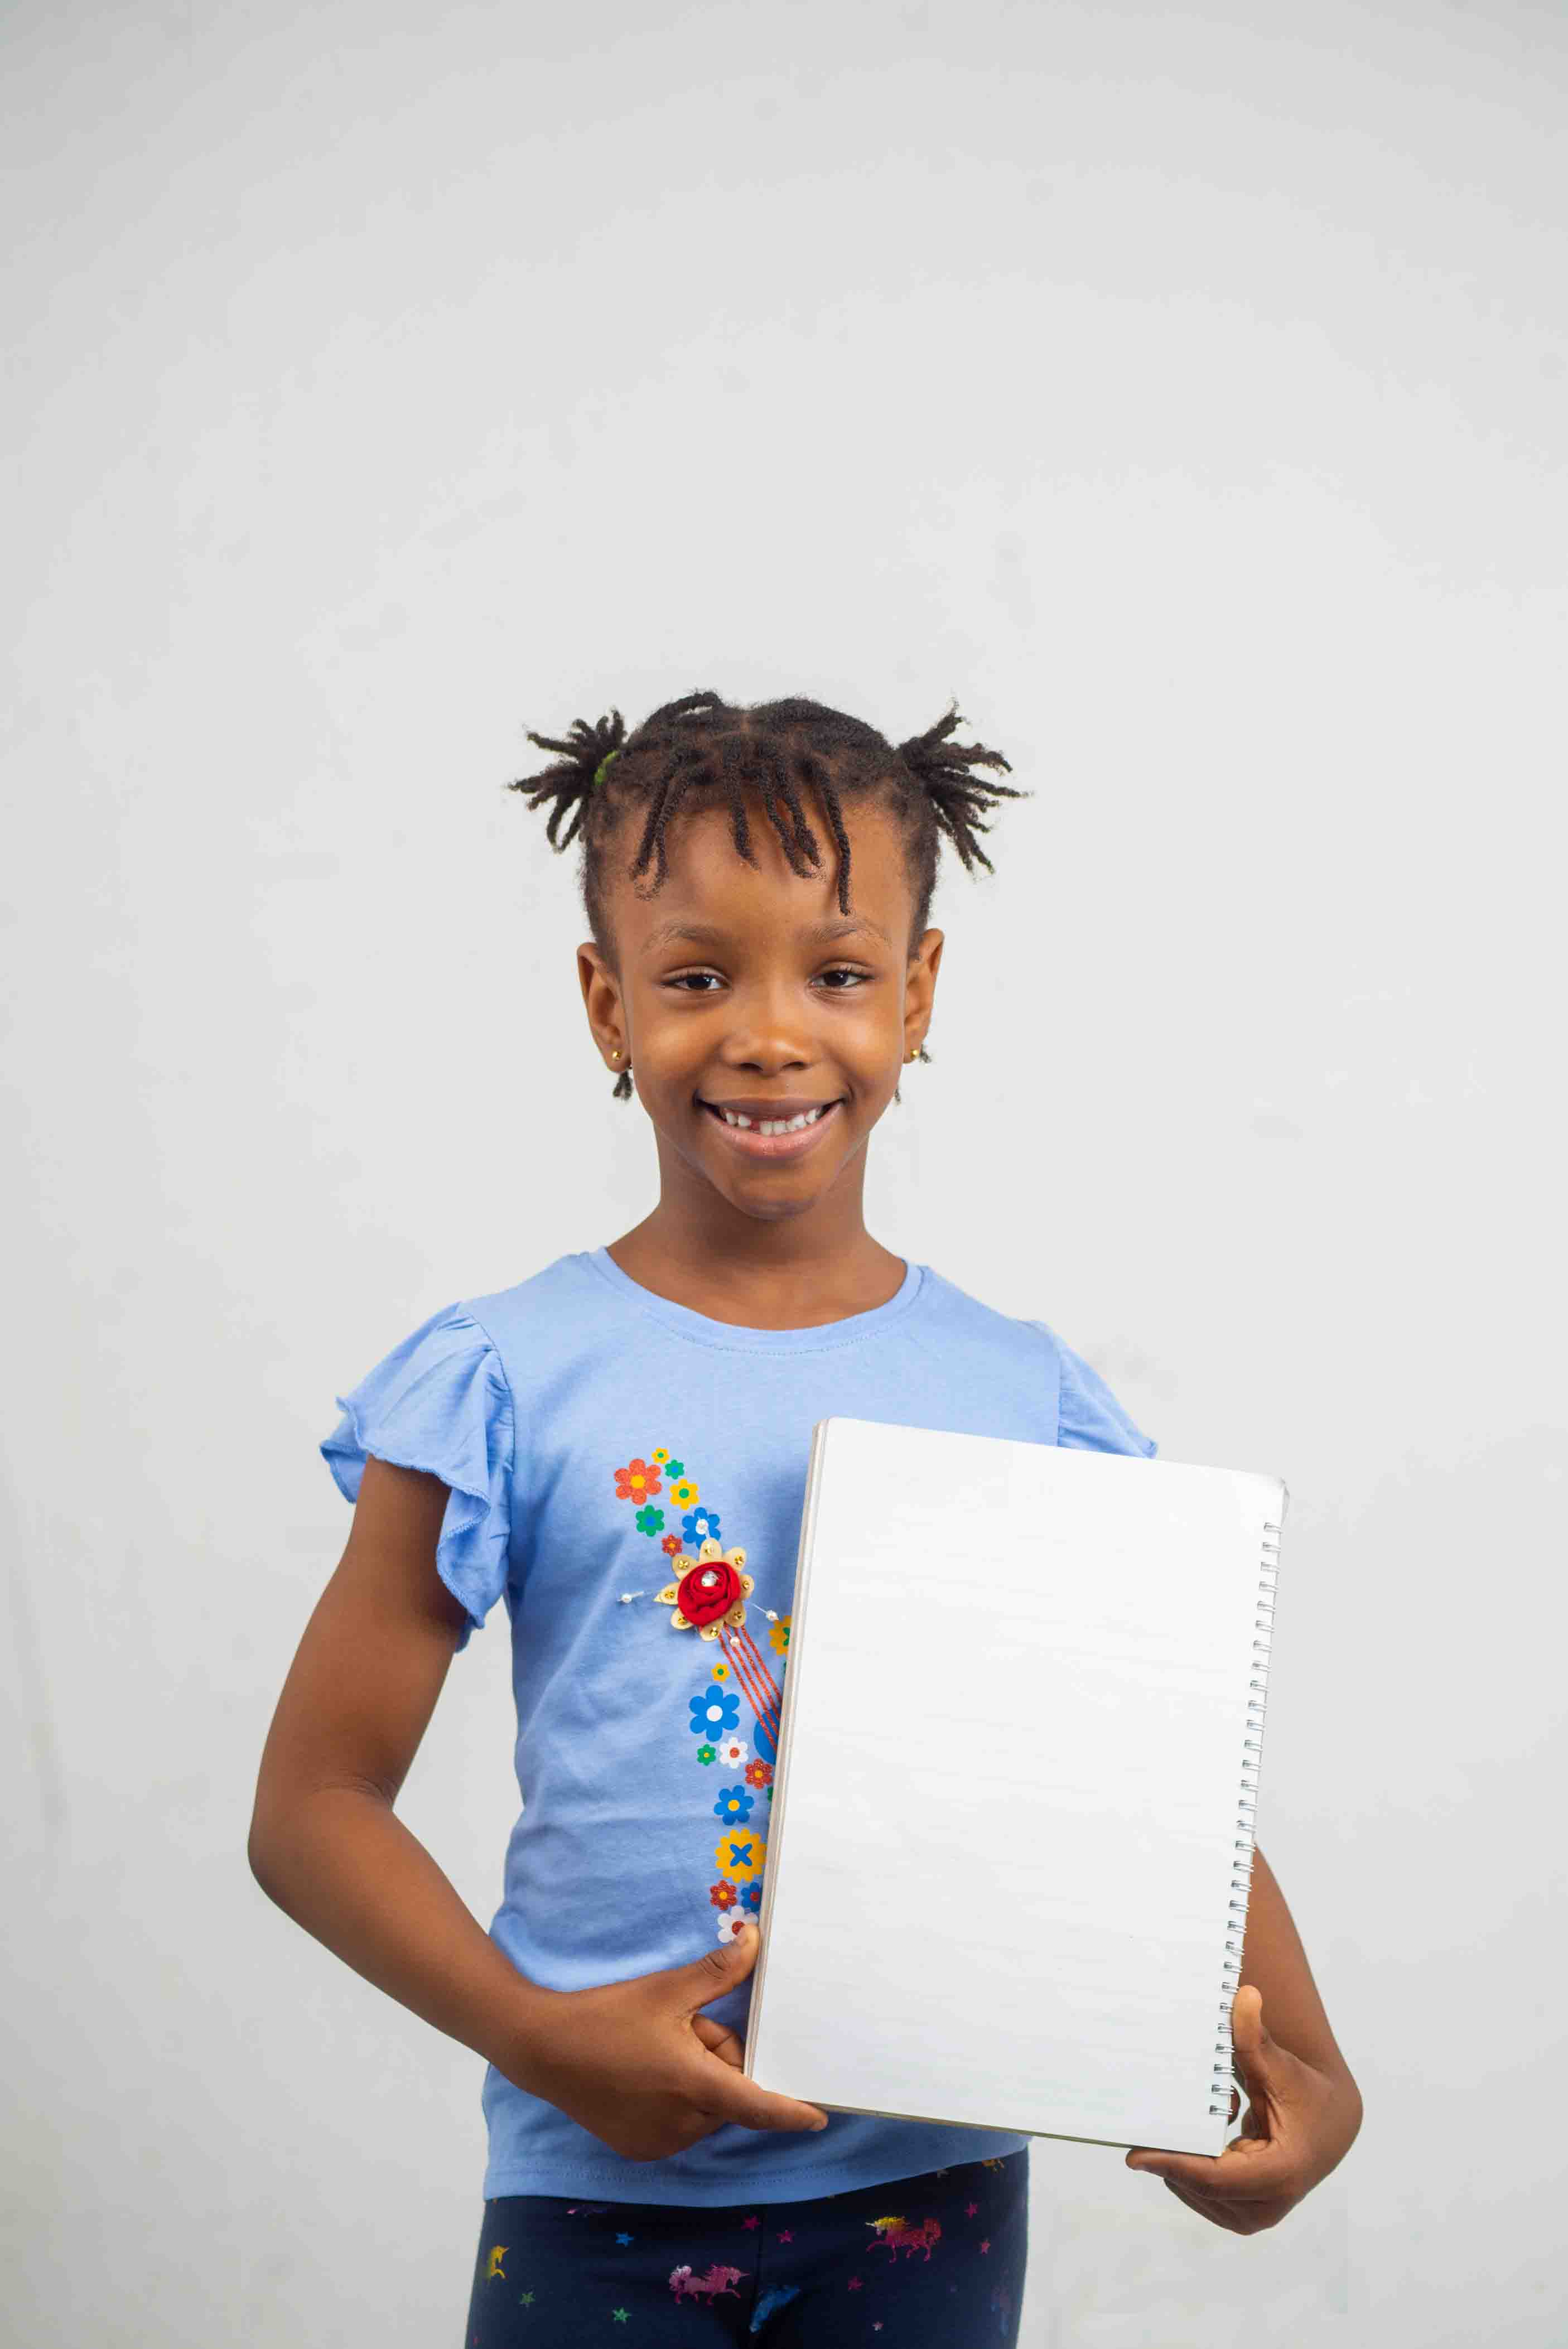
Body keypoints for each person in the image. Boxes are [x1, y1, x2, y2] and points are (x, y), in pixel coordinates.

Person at [248, 689, 1362, 2345]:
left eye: (836, 972)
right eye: (697, 975)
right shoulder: (501, 1376)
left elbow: (1155, 1786)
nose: (769, 1032)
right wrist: (539, 2036)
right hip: (593, 2190)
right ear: (604, 1000)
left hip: (930, 2195)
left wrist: (1315, 2073)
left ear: (914, 996)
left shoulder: (1020, 1393)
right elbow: (315, 1803)